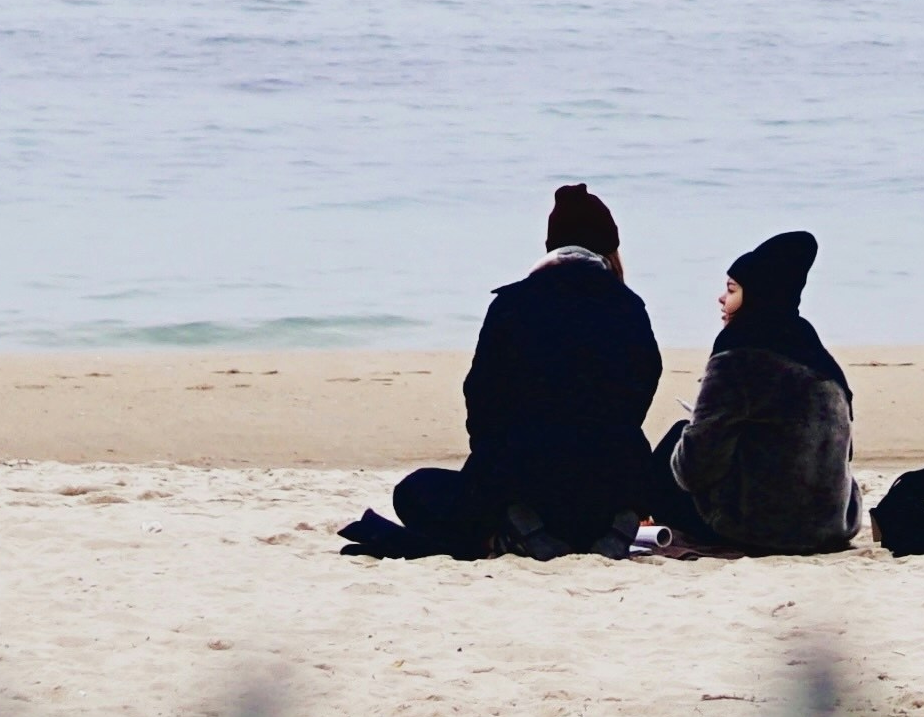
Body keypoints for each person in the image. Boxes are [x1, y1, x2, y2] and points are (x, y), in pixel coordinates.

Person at [341, 184, 662, 558]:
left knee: (415, 491)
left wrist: (493, 465)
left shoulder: (513, 303)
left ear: (551, 245)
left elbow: (480, 396)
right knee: (622, 459)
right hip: (611, 481)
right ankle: (615, 522)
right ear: (609, 249)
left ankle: (517, 527)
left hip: (525, 478)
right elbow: (642, 388)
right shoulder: (628, 306)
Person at [649, 230, 862, 555]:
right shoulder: (817, 353)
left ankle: (636, 518)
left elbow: (695, 469)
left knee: (678, 439)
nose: (721, 298)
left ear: (757, 296)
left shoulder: (738, 353)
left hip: (760, 529)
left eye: (731, 290)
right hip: (833, 525)